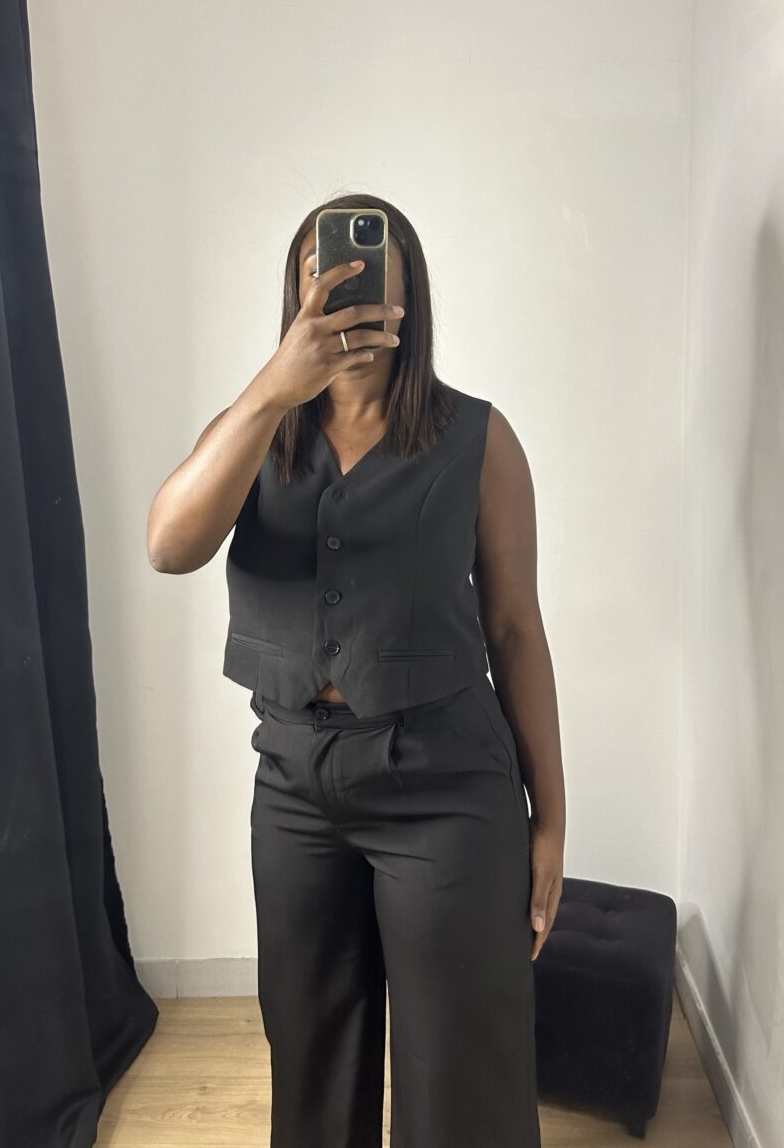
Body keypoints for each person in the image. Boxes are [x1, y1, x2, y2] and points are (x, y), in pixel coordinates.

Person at [147, 192, 566, 1148]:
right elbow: (169, 545)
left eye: (374, 273)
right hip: (296, 789)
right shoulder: (252, 430)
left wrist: (551, 815)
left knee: (460, 1074)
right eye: (322, 273)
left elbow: (515, 629)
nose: (346, 289)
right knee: (312, 1061)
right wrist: (271, 387)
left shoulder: (480, 440)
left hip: (448, 784)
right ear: (294, 297)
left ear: (408, 298)